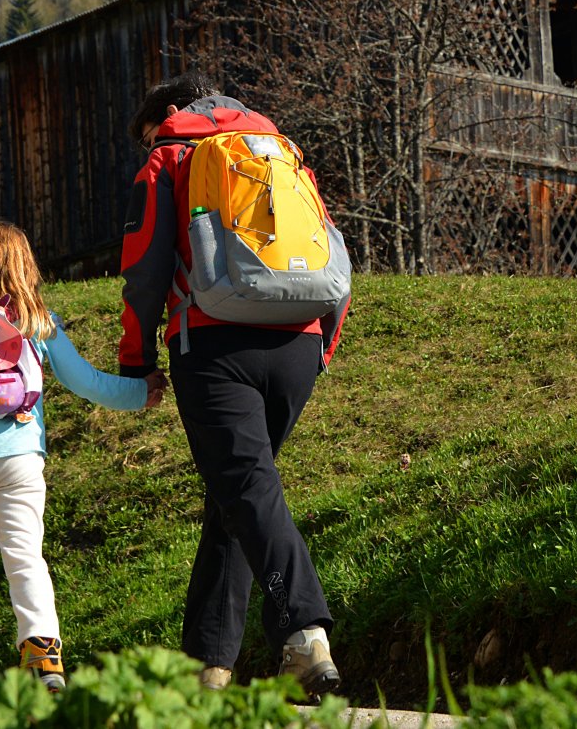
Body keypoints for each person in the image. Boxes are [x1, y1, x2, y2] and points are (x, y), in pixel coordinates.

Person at [117, 72, 349, 697]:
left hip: (214, 344)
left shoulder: (171, 156)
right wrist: (321, 347)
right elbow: (331, 252)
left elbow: (144, 268)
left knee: (247, 490)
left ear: (172, 110)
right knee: (238, 497)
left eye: (148, 134)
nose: (149, 145)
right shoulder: (280, 152)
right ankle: (207, 669)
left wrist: (136, 360)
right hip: (298, 343)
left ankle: (304, 634)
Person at [0, 219, 166, 698]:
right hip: (22, 456)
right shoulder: (37, 324)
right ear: (24, 265)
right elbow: (86, 382)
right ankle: (43, 657)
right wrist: (141, 393)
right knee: (25, 556)